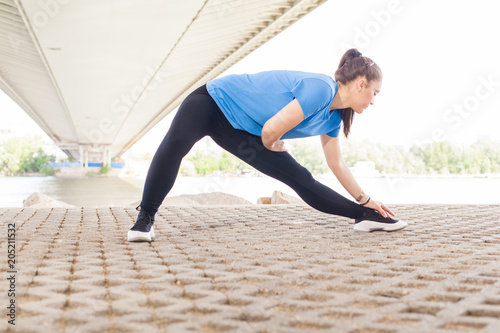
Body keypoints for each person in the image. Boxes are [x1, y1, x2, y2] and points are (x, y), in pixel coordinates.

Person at [127, 48, 407, 242]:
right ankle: (145, 219)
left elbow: (337, 164)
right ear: (360, 84)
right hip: (212, 102)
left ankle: (364, 217)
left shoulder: (333, 119)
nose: (373, 101)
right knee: (175, 145)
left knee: (300, 178)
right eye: (374, 93)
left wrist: (366, 201)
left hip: (242, 131)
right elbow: (272, 130)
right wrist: (272, 143)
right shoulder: (321, 88)